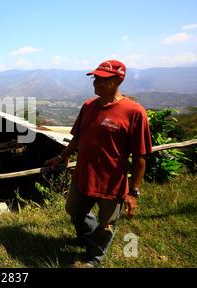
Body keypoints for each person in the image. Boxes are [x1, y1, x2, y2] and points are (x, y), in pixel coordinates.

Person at [45, 60, 152, 267]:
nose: (97, 83)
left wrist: (134, 191)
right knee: (74, 210)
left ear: (118, 80)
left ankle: (95, 257)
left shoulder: (134, 112)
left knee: (107, 224)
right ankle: (88, 237)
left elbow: (140, 156)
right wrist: (62, 156)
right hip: (83, 176)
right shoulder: (88, 106)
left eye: (103, 80)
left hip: (112, 182)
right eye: (95, 78)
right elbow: (77, 137)